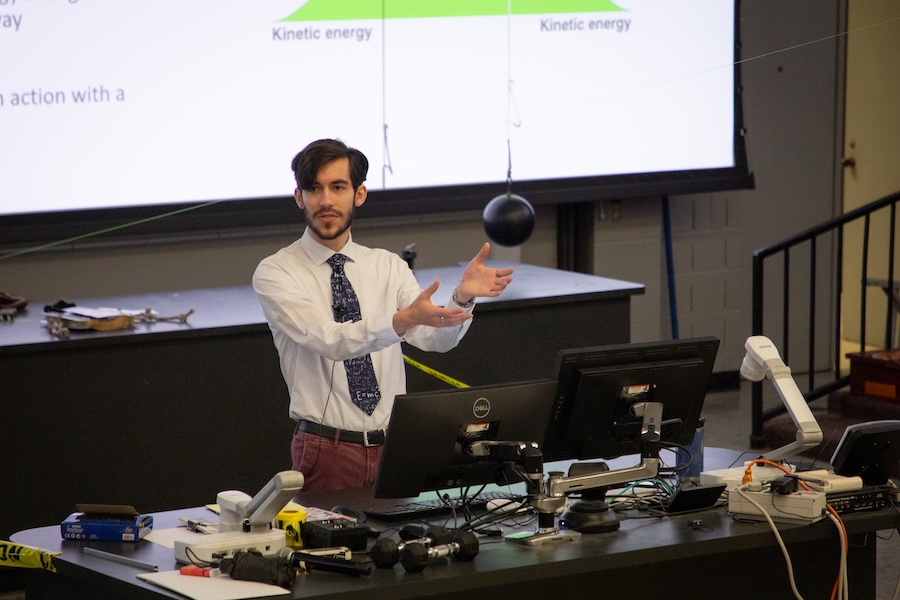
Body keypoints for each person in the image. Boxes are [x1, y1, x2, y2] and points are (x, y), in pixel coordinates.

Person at [253, 138, 514, 492]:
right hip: (325, 449)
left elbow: (434, 339)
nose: (326, 200)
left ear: (359, 194)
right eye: (314, 189)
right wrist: (400, 321)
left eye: (338, 187)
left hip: (396, 446)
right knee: (331, 548)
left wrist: (462, 297)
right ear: (299, 197)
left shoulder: (387, 265)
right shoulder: (276, 272)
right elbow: (329, 340)